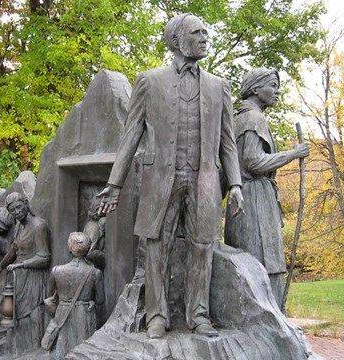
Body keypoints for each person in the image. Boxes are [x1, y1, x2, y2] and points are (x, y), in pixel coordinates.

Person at [98, 13, 244, 339]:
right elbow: (130, 137)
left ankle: (199, 316)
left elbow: (227, 143)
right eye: (198, 32)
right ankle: (156, 317)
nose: (206, 37)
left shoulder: (219, 87)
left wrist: (234, 183)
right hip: (160, 180)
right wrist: (113, 185)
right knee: (156, 247)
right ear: (178, 40)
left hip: (203, 180)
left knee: (202, 246)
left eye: (207, 31)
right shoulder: (149, 82)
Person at [224, 68, 309, 309]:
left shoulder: (243, 117)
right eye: (272, 85)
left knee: (261, 264)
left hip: (252, 198)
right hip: (254, 202)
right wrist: (293, 154)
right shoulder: (252, 119)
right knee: (264, 264)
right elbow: (253, 162)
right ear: (255, 89)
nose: (277, 91)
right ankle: (271, 318)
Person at [0, 192, 51, 353]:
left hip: (34, 276)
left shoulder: (38, 226)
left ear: (26, 204)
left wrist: (21, 265)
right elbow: (13, 249)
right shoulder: (19, 226)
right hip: (19, 275)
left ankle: (37, 347)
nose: (16, 212)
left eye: (18, 208)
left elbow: (44, 258)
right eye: (12, 210)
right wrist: (0, 267)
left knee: (33, 310)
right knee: (18, 311)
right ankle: (22, 346)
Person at [43, 232, 104, 359]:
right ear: (87, 250)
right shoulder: (95, 273)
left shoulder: (56, 271)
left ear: (70, 248)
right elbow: (100, 299)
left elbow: (50, 295)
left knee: (62, 346)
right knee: (83, 349)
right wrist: (90, 300)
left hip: (62, 314)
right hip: (84, 315)